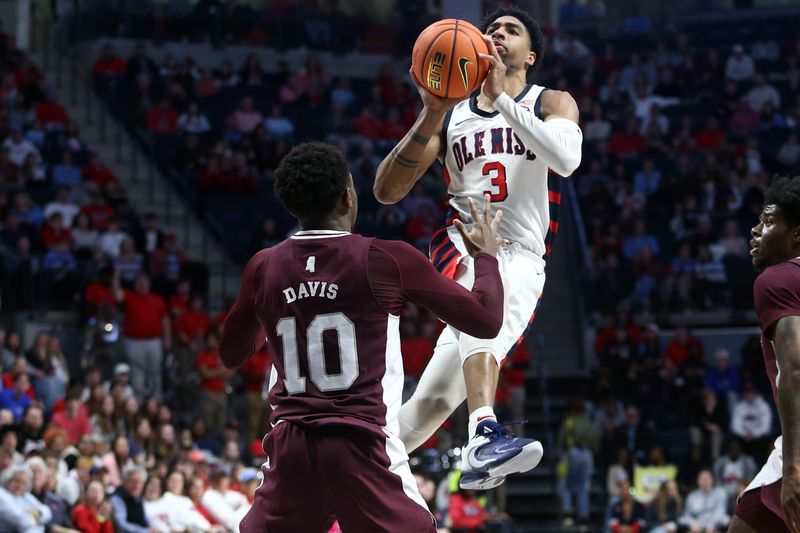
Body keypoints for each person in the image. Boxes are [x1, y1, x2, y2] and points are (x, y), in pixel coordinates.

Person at [219, 142, 505, 532]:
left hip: (291, 448)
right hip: (362, 445)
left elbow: (232, 352)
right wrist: (486, 258)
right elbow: (486, 320)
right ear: (347, 196)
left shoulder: (263, 266)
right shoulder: (385, 258)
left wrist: (278, 317)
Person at [373, 4, 581, 490]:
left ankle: (355, 460)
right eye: (491, 30)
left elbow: (567, 159)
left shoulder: (550, 101)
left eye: (511, 30)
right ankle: (484, 432)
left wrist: (503, 101)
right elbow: (385, 191)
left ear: (530, 56)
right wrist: (432, 110)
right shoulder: (453, 117)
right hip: (461, 245)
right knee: (486, 305)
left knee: (426, 408)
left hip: (526, 255)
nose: (497, 35)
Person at [730, 176, 800, 532]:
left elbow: (795, 370)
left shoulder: (778, 280)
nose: (755, 231)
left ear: (796, 234)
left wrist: (793, 466)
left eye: (769, 221)